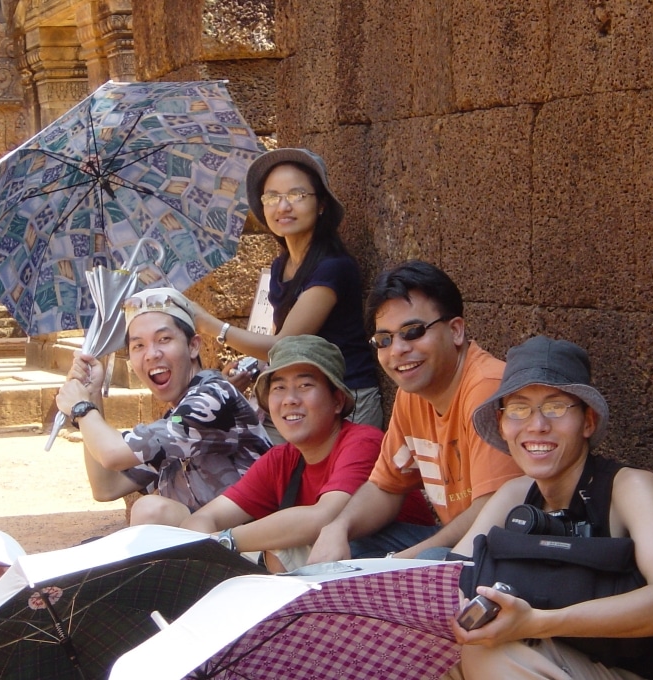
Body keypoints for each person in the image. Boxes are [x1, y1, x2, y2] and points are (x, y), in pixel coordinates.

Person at [447, 335, 653, 679]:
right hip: (552, 659)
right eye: (519, 408)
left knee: (487, 656)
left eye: (555, 407)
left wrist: (538, 623)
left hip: (634, 671)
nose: (537, 425)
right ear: (502, 424)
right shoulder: (514, 494)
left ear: (588, 422)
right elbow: (447, 580)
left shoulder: (631, 488)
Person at [309, 260, 523, 562]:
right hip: (453, 536)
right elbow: (385, 488)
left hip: (506, 547)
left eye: (413, 331)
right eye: (384, 339)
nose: (397, 350)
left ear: (456, 331)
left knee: (430, 556)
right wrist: (337, 528)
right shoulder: (412, 393)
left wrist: (399, 562)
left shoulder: (486, 387)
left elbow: (491, 511)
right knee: (349, 548)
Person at [181, 335, 434, 572]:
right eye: (279, 388)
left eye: (305, 385)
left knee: (284, 542)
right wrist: (210, 539)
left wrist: (225, 541)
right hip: (342, 571)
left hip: (407, 566)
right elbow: (205, 519)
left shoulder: (362, 442)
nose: (290, 399)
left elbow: (323, 517)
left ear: (337, 401)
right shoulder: (280, 460)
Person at [190, 148, 383, 429]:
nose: (283, 207)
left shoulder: (333, 267)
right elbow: (281, 342)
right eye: (272, 197)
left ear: (321, 204)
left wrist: (212, 327)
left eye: (297, 195)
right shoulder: (281, 266)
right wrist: (252, 366)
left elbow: (284, 345)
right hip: (303, 397)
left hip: (347, 400)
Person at [55, 287, 272, 526]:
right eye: (138, 346)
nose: (151, 354)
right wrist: (93, 392)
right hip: (215, 544)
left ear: (193, 346)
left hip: (253, 551)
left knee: (150, 510)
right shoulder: (176, 417)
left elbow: (113, 454)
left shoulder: (212, 398)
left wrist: (82, 408)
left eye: (164, 339)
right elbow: (107, 486)